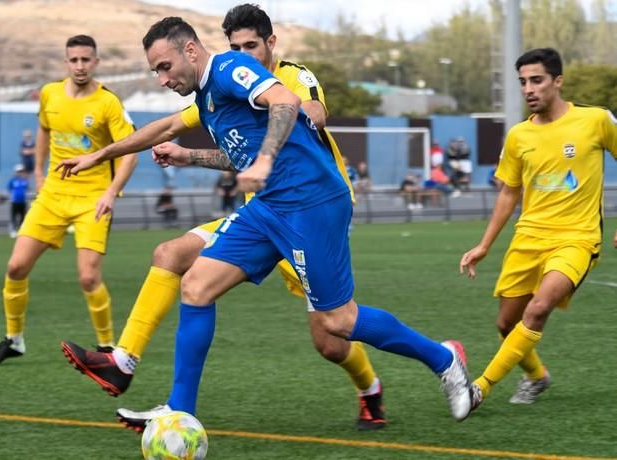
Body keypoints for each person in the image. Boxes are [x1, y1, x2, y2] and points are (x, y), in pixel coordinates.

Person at [57, 16, 472, 424]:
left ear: (190, 50)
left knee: (337, 323)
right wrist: (101, 155)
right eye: (154, 72)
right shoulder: (207, 99)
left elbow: (286, 102)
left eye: (164, 67)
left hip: (311, 202)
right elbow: (173, 130)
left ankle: (444, 359)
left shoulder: (228, 68)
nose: (162, 79)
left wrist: (268, 158)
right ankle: (179, 409)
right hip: (269, 206)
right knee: (196, 286)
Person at [459, 48, 617, 414]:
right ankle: (536, 376)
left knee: (538, 309)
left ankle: (478, 389)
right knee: (506, 322)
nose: (529, 89)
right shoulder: (518, 136)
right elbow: (509, 192)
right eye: (523, 82)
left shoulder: (595, 121)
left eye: (537, 80)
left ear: (557, 81)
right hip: (529, 238)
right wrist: (484, 244)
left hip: (577, 238)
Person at [0, 34, 138, 365]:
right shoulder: (50, 93)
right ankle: (14, 339)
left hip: (92, 198)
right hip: (52, 194)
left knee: (88, 277)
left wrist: (111, 192)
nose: (80, 66)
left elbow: (131, 154)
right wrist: (38, 172)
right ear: (66, 63)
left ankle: (108, 350)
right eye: (74, 60)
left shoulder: (108, 103)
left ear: (96, 62)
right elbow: (44, 129)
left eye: (86, 60)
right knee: (16, 266)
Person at [8, 164, 29, 238]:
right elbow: (9, 189)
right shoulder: (12, 180)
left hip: (22, 201)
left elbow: (26, 189)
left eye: (21, 171)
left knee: (22, 216)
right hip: (14, 201)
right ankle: (13, 230)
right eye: (18, 171)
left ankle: (20, 230)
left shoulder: (25, 180)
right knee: (13, 216)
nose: (20, 173)